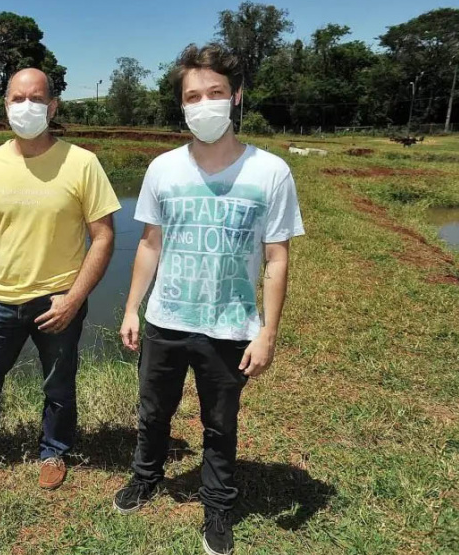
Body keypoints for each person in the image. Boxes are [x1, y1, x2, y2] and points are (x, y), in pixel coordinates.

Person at [112, 43, 305, 555]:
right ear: (182, 105)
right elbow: (150, 245)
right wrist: (132, 307)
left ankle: (218, 507)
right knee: (153, 411)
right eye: (193, 96)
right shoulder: (162, 169)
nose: (204, 104)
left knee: (220, 423)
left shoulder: (271, 172)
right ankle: (146, 476)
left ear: (236, 96)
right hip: (166, 318)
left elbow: (277, 258)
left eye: (215, 92)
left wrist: (267, 332)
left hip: (231, 325)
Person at [0, 68, 121, 490]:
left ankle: (54, 450)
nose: (25, 106)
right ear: (5, 105)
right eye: (16, 98)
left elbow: (103, 237)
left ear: (52, 107)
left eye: (35, 99)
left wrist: (74, 298)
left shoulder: (82, 162)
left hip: (58, 298)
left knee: (59, 385)